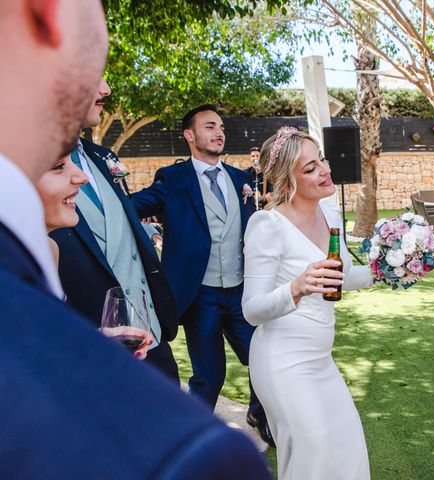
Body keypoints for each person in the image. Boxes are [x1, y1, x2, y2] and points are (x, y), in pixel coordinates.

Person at [0, 1, 269, 478]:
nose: (104, 88)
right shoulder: (192, 457)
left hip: (151, 322)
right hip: (172, 306)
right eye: (98, 71)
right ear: (45, 13)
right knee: (206, 378)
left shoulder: (106, 160)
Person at [132, 104, 273, 446]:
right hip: (200, 296)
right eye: (210, 126)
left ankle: (259, 412)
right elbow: (129, 209)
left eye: (221, 126)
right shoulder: (173, 179)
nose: (219, 131)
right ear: (190, 135)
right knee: (209, 376)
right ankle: (190, 438)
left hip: (243, 293)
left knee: (264, 358)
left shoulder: (243, 180)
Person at [242, 126, 373, 480]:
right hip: (282, 362)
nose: (325, 170)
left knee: (349, 449)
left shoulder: (330, 215)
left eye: (322, 160)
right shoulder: (267, 224)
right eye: (310, 168)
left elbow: (339, 276)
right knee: (312, 457)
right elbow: (251, 310)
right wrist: (296, 288)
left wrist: (384, 270)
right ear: (288, 180)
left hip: (321, 360)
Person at [50, 78, 180, 381]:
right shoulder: (23, 167)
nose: (106, 89)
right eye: (93, 76)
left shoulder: (101, 156)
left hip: (149, 334)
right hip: (90, 353)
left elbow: (122, 225)